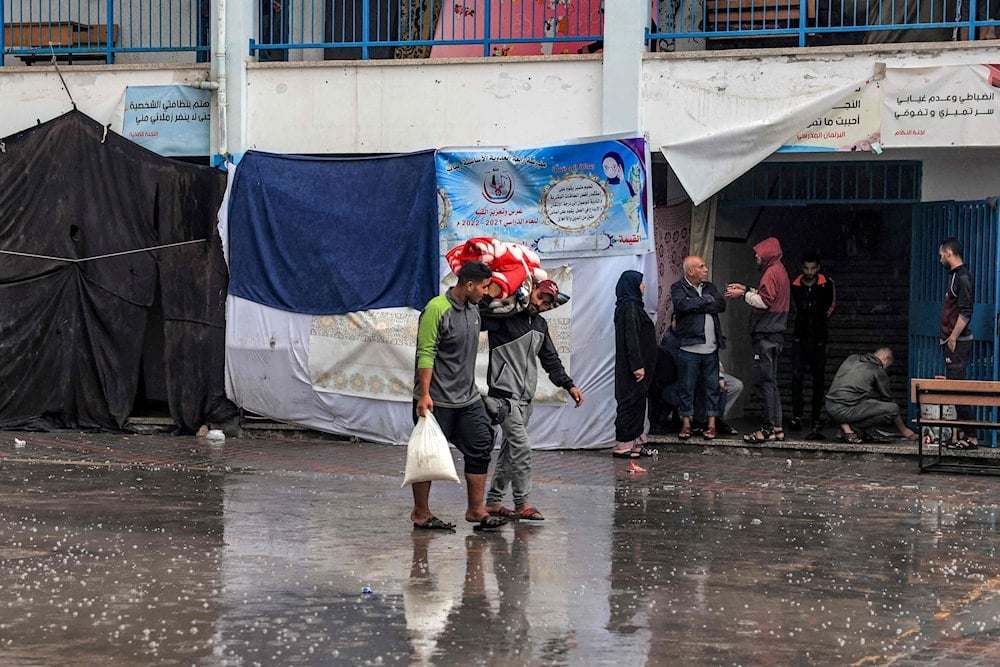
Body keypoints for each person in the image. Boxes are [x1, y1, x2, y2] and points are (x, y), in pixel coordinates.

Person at [411, 260, 508, 532]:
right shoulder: (436, 309)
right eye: (484, 287)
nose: (486, 292)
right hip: (436, 399)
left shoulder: (474, 309)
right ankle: (421, 513)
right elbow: (425, 352)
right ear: (468, 285)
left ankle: (476, 510)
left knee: (481, 443)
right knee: (427, 456)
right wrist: (424, 394)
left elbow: (506, 297)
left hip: (467, 398)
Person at [482, 279, 584, 521]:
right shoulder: (505, 317)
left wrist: (569, 385)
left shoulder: (540, 325)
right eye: (540, 297)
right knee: (522, 448)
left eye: (547, 303)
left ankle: (494, 502)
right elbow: (479, 314)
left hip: (525, 399)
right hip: (503, 396)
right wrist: (493, 295)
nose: (541, 304)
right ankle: (522, 502)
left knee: (510, 451)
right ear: (531, 290)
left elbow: (550, 359)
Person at [724, 237, 790, 443]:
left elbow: (764, 301)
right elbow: (766, 295)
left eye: (758, 254)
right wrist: (746, 289)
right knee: (771, 382)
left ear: (767, 253)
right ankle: (777, 427)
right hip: (775, 334)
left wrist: (742, 295)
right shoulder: (780, 271)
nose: (756, 257)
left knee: (764, 382)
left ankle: (768, 428)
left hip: (766, 334)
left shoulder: (771, 273)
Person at [670, 256, 726, 440]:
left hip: (711, 348)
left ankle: (711, 425)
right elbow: (681, 305)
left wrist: (699, 303)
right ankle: (686, 423)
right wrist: (705, 301)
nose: (705, 270)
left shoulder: (709, 287)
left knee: (712, 387)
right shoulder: (678, 288)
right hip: (689, 348)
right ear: (690, 271)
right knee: (687, 387)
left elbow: (720, 304)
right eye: (701, 267)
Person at [824, 347, 918, 444]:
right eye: (887, 366)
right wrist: (904, 430)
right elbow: (889, 401)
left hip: (829, 406)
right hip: (844, 411)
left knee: (866, 400)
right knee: (892, 409)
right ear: (886, 359)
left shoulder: (852, 358)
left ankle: (847, 427)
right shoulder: (877, 369)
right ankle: (853, 428)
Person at [612, 270, 659, 458]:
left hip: (639, 367)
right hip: (632, 368)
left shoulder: (633, 307)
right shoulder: (629, 308)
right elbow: (631, 338)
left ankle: (637, 443)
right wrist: (637, 365)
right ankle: (623, 445)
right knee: (629, 403)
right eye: (640, 283)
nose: (643, 286)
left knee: (639, 402)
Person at [789, 253, 836, 439]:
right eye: (806, 268)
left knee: (818, 380)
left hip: (818, 337)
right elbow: (794, 307)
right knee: (796, 378)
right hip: (800, 337)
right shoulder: (795, 285)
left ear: (817, 268)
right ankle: (797, 415)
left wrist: (820, 320)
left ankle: (816, 417)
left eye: (812, 268)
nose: (809, 272)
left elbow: (831, 306)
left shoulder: (826, 284)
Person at [939, 237, 978, 449]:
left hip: (958, 341)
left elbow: (966, 312)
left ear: (949, 253)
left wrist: (953, 337)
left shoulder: (963, 278)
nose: (940, 259)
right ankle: (962, 433)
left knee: (957, 389)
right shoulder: (955, 276)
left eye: (941, 255)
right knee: (954, 388)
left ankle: (971, 436)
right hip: (951, 340)